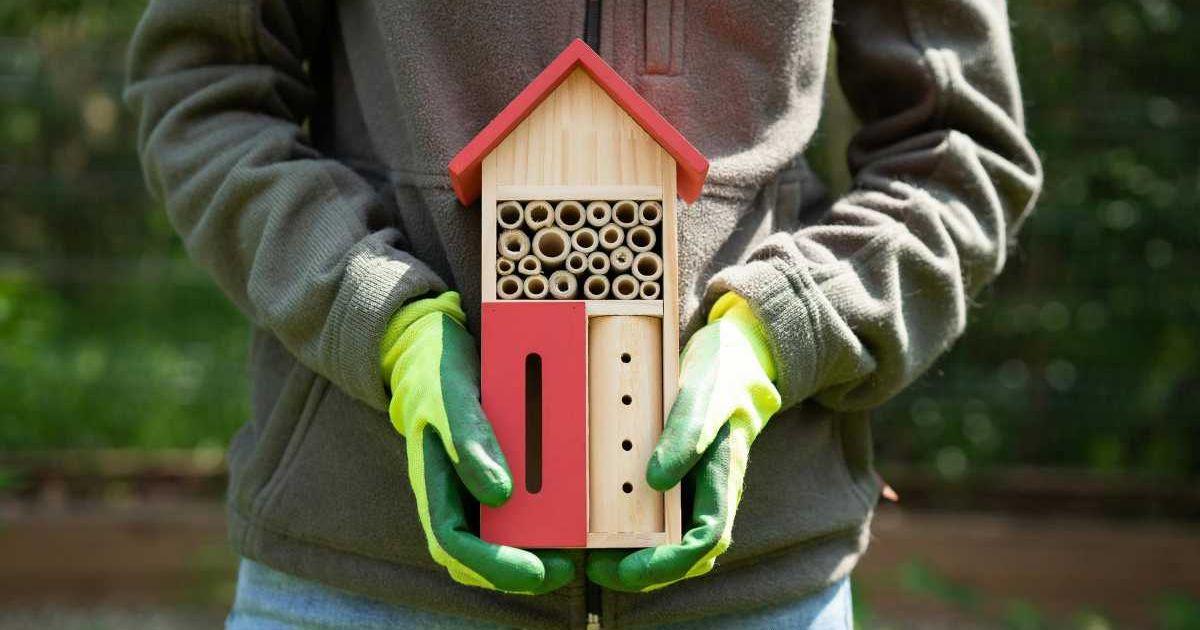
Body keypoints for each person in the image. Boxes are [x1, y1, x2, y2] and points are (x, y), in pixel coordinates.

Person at [126, 1, 1041, 627]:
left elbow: (956, 148)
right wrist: (379, 316)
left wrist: (784, 330)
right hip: (359, 576)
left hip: (756, 590)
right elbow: (209, 92)